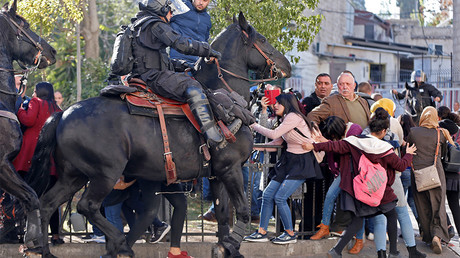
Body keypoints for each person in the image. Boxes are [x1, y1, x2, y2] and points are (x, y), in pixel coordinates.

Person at [303, 108, 417, 258]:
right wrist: (408, 154)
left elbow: (333, 146)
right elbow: (401, 166)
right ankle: (394, 252)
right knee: (391, 215)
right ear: (383, 131)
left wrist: (314, 146)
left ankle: (336, 250)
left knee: (357, 222)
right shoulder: (386, 149)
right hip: (380, 190)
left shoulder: (354, 142)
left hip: (361, 189)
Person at [120, 0, 227, 149]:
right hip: (153, 77)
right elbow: (180, 43)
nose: (172, 14)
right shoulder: (155, 25)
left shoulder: (140, 25)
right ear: (160, 9)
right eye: (170, 10)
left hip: (144, 74)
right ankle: (213, 137)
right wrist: (207, 50)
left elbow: (156, 59)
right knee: (193, 86)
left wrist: (185, 66)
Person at [244, 93, 323, 244]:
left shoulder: (293, 117)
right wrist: (254, 147)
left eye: (279, 103)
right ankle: (261, 231)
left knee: (280, 198)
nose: (275, 106)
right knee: (267, 195)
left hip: (301, 162)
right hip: (288, 161)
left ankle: (290, 233)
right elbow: (276, 142)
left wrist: (253, 124)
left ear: (287, 104)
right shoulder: (286, 119)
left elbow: (273, 133)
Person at [367, 100, 426, 258]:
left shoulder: (367, 131)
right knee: (402, 213)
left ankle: (381, 253)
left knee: (379, 218)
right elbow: (400, 143)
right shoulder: (393, 127)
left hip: (373, 180)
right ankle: (412, 250)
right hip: (394, 178)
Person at [13, 82, 63, 245]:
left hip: (31, 153)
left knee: (27, 194)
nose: (33, 94)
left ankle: (26, 233)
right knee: (51, 198)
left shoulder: (35, 102)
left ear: (38, 92)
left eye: (34, 91)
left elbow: (27, 120)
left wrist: (21, 108)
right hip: (51, 158)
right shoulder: (57, 109)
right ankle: (55, 235)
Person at [309, 116, 363, 254]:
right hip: (342, 173)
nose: (332, 137)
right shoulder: (335, 136)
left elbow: (345, 148)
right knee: (330, 196)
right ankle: (325, 226)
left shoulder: (354, 129)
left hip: (356, 173)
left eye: (333, 134)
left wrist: (325, 142)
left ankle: (359, 240)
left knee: (358, 209)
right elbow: (334, 150)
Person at [407, 106, 455, 254]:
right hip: (436, 173)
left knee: (422, 205)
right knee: (438, 205)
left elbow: (407, 149)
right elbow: (446, 152)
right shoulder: (441, 133)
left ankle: (428, 236)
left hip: (418, 174)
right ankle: (437, 236)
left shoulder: (413, 132)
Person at [169, 0, 211, 67]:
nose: (201, 3)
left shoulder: (207, 19)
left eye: (205, 0)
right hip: (178, 60)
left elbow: (205, 40)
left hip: (198, 63)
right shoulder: (180, 8)